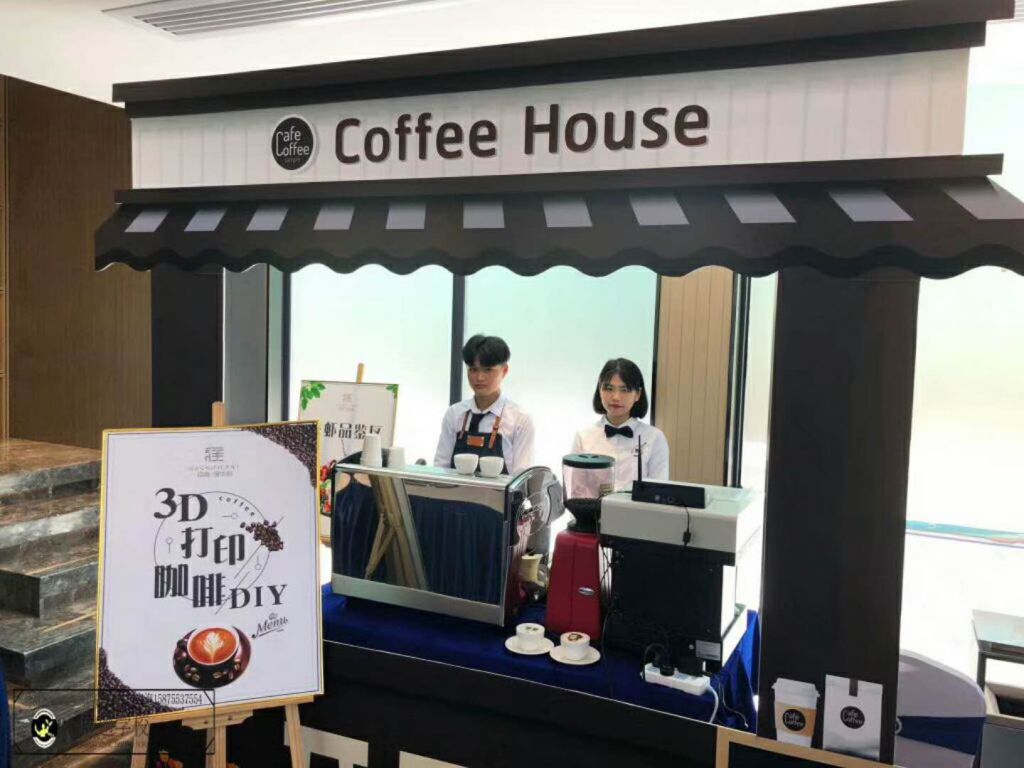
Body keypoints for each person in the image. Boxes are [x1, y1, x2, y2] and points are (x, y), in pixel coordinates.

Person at [433, 334, 535, 476]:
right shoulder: (454, 414)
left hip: (503, 492)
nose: (479, 378)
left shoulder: (520, 419)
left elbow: (521, 478)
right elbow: (440, 469)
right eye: (473, 369)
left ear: (505, 371)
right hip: (454, 490)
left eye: (488, 370)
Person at [572, 358, 669, 491]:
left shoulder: (654, 437)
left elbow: (659, 491)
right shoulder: (583, 436)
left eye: (625, 390)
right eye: (609, 388)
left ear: (638, 394)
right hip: (593, 505)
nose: (616, 397)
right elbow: (576, 491)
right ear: (599, 390)